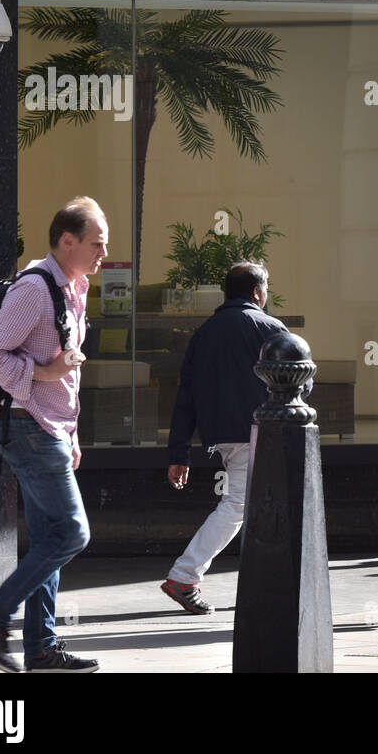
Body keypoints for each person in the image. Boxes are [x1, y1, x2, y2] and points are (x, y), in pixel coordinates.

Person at [0, 196, 106, 673]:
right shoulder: (33, 289)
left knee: (50, 540)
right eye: (96, 244)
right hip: (28, 427)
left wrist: (73, 431)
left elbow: (71, 372)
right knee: (71, 532)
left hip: (51, 428)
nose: (103, 254)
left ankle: (41, 649)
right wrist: (41, 375)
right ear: (67, 241)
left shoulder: (75, 286)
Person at [161, 261, 288, 614]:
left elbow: (185, 394)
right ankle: (185, 575)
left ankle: (266, 579)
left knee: (250, 505)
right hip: (259, 429)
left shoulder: (204, 333)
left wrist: (179, 452)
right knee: (238, 506)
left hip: (221, 433)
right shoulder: (269, 327)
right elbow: (297, 379)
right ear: (257, 293)